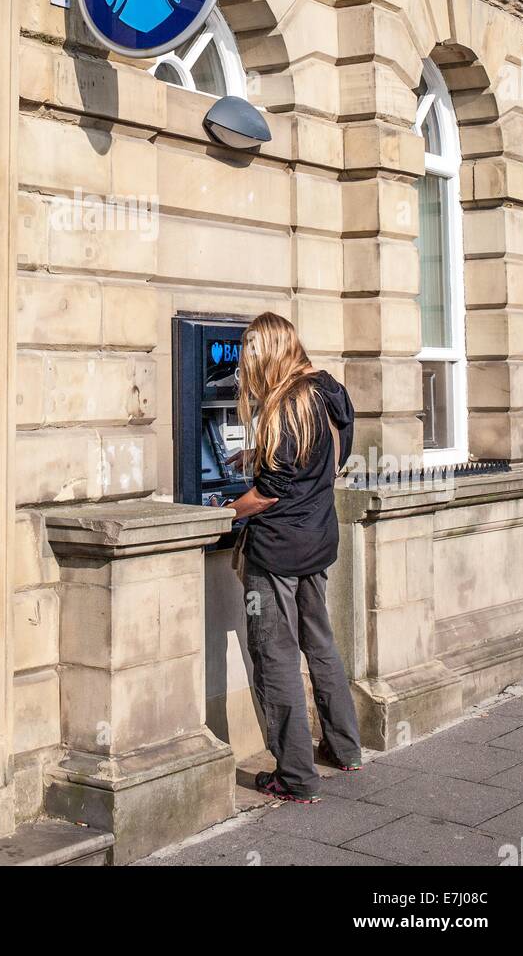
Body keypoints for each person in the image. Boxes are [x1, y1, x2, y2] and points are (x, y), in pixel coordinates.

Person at [222, 311, 362, 803]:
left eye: (252, 355)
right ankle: (345, 748)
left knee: (274, 655)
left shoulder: (284, 405)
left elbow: (269, 495)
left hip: (277, 552)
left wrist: (225, 510)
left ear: (271, 352)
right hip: (318, 541)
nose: (247, 366)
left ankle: (296, 776)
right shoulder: (326, 392)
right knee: (319, 642)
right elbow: (327, 457)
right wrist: (260, 453)